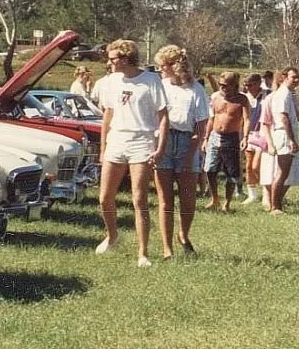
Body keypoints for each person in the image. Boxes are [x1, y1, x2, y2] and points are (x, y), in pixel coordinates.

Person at [95, 39, 169, 268]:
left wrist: (160, 147)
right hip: (117, 140)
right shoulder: (111, 81)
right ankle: (112, 235)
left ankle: (143, 252)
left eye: (113, 58)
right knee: (105, 197)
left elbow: (163, 116)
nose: (110, 62)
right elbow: (108, 114)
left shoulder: (151, 80)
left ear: (126, 59)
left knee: (139, 198)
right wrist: (103, 146)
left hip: (141, 141)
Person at [154, 45, 210, 259]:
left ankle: (183, 235)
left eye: (163, 65)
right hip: (163, 141)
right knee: (165, 199)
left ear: (174, 66)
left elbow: (201, 126)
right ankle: (166, 247)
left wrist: (189, 156)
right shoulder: (161, 87)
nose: (160, 69)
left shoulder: (196, 90)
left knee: (187, 198)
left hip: (188, 142)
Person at [261, 66, 299, 214]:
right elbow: (283, 117)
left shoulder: (289, 94)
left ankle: (277, 204)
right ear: (284, 77)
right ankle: (275, 206)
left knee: (284, 172)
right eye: (293, 77)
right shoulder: (283, 94)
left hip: (286, 134)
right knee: (281, 172)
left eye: (298, 77)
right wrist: (291, 139)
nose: (296, 80)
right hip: (283, 134)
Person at [203, 71, 247, 211]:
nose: (223, 87)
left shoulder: (241, 100)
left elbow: (247, 119)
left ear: (234, 85)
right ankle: (214, 198)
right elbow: (211, 118)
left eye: (226, 85)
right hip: (215, 136)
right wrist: (206, 137)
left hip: (232, 138)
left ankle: (227, 203)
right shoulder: (216, 97)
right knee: (209, 169)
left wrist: (245, 137)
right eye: (221, 85)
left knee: (231, 173)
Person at [241, 72, 266, 205]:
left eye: (250, 85)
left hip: (263, 133)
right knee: (249, 165)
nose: (248, 87)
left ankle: (267, 190)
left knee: (257, 165)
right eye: (245, 85)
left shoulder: (267, 95)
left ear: (258, 83)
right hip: (249, 134)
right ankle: (252, 194)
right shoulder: (245, 97)